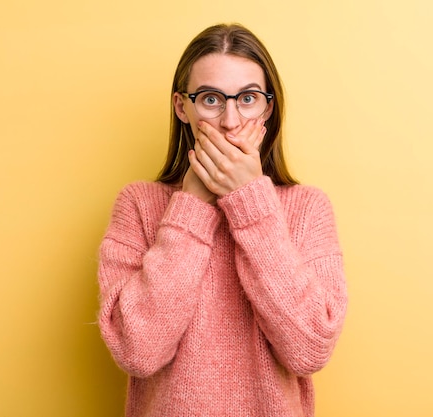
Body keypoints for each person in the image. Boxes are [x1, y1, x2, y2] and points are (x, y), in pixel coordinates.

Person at [97, 23, 347, 417]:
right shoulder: (139, 205)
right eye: (211, 98)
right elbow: (138, 351)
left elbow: (310, 348)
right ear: (183, 107)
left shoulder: (307, 208)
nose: (230, 121)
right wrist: (192, 205)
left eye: (247, 98)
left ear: (268, 107)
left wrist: (251, 203)